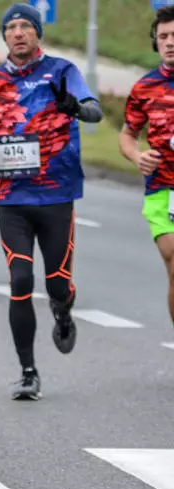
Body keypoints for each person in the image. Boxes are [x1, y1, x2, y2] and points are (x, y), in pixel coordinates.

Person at [0, 3, 103, 400]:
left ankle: (63, 309)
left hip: (57, 193)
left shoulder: (62, 72)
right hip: (13, 198)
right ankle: (28, 371)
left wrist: (75, 107)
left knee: (56, 284)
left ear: (38, 33)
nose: (20, 32)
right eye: (12, 27)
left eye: (27, 26)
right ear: (5, 36)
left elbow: (93, 110)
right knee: (21, 280)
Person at [120, 5, 174, 335]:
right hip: (163, 191)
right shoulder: (144, 88)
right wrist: (136, 156)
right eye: (164, 36)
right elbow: (127, 134)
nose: (170, 42)